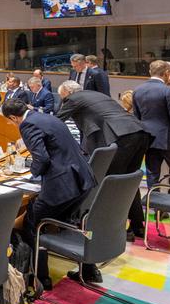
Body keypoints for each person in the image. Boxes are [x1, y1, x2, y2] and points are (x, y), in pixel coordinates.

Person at [4, 98, 97, 289]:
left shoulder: (27, 125)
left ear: (14, 117)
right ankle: (89, 269)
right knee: (59, 219)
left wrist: (32, 174)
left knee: (31, 223)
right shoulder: (46, 117)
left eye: (9, 121)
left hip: (63, 185)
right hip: (81, 179)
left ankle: (40, 279)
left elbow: (42, 158)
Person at [56, 80, 152, 241]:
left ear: (67, 93)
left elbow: (55, 122)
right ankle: (137, 226)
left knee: (112, 184)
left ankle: (120, 229)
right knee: (128, 180)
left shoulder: (73, 99)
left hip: (121, 137)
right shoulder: (95, 95)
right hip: (139, 132)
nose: (62, 101)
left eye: (62, 98)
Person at [133, 61, 170, 223]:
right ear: (166, 72)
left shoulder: (138, 90)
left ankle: (158, 210)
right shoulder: (168, 91)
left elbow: (137, 118)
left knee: (153, 174)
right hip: (169, 139)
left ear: (150, 71)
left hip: (149, 138)